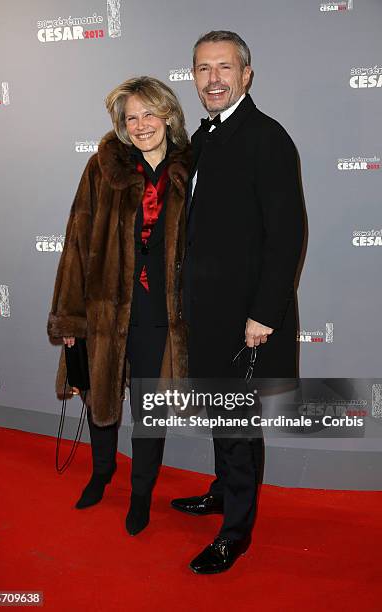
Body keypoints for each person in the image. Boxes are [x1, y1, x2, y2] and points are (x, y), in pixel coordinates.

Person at [171, 31, 305, 573]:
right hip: (205, 315)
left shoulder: (266, 137)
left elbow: (288, 233)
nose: (213, 79)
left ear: (246, 74)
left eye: (224, 67)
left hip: (247, 318)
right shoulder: (204, 137)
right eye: (203, 69)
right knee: (221, 416)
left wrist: (263, 315)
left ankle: (235, 532)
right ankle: (223, 493)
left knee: (240, 424)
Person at [47, 76, 190, 536]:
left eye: (149, 113)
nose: (141, 124)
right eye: (132, 116)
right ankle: (101, 472)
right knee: (101, 399)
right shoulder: (101, 169)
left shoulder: (191, 171)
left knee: (150, 411)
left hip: (159, 316)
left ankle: (142, 492)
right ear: (122, 125)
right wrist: (70, 317)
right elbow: (76, 243)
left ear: (167, 114)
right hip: (105, 309)